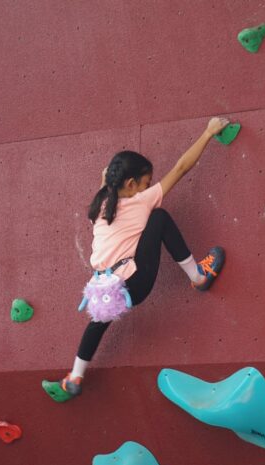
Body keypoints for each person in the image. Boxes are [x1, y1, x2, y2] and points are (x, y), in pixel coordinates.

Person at [58, 116, 230, 398]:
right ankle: (198, 277)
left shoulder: (99, 204)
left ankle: (76, 376)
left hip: (103, 289)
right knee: (159, 217)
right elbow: (182, 167)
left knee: (97, 324)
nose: (147, 188)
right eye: (144, 183)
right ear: (130, 183)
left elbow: (105, 182)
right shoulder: (141, 201)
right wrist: (208, 132)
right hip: (135, 285)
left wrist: (107, 178)